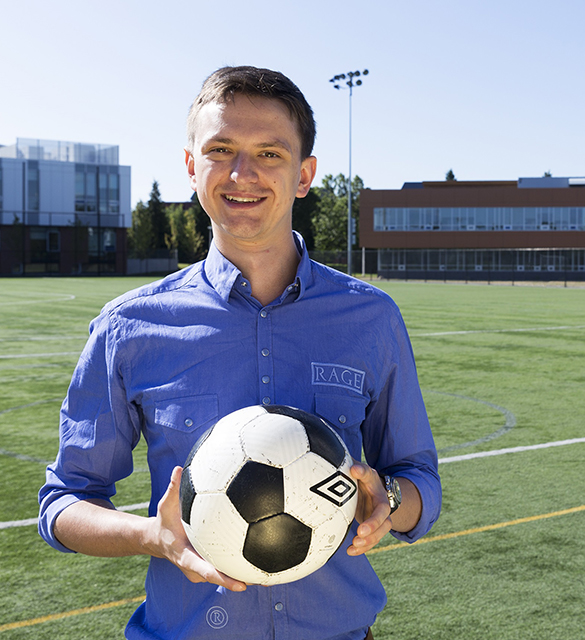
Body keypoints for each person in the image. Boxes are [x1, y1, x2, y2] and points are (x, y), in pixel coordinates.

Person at [38, 66, 441, 640]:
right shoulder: (129, 326)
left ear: (304, 176)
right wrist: (152, 535)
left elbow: (419, 480)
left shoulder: (371, 318)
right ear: (190, 166)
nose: (241, 173)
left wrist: (389, 501)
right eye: (221, 148)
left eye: (269, 154)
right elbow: (64, 502)